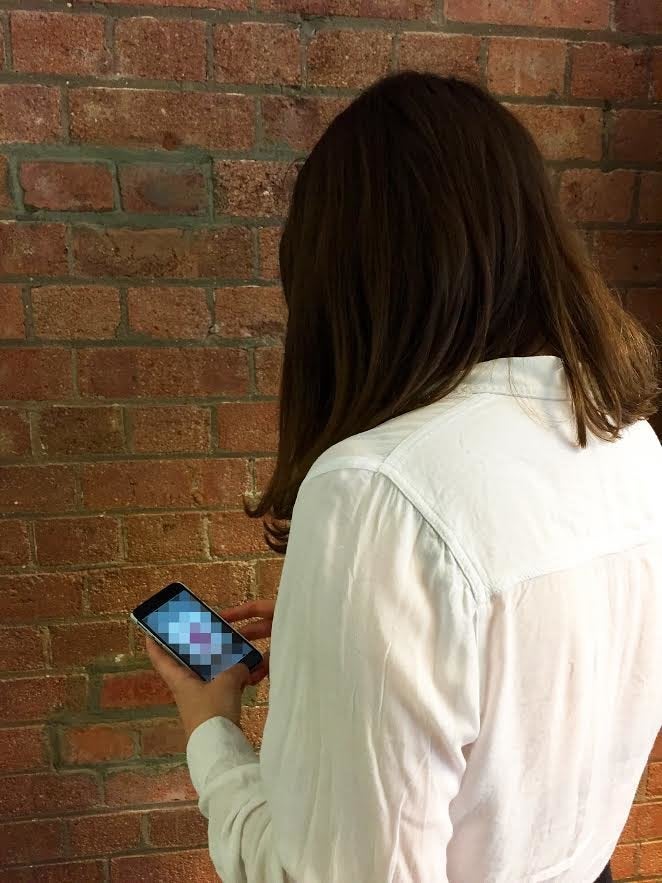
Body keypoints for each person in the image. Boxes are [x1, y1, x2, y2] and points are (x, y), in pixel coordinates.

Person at [147, 73, 662, 883]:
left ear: (341, 286)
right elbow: (537, 665)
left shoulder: (377, 493)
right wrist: (359, 640)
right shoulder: (628, 442)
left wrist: (210, 725)